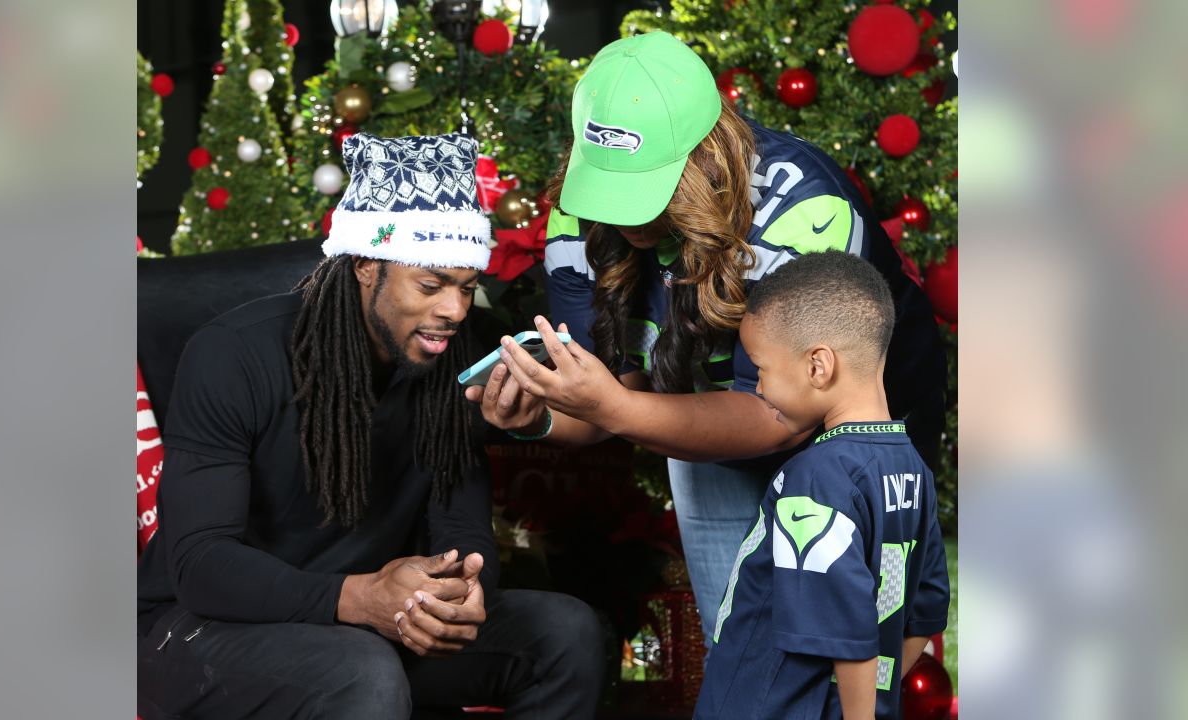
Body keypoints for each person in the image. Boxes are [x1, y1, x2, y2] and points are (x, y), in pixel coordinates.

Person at [467, 30, 946, 643]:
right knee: (740, 647)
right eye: (611, 186)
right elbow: (607, 397)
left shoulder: (802, 211)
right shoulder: (579, 212)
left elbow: (783, 414)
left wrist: (617, 406)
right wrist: (537, 415)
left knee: (856, 651)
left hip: (858, 435)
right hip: (701, 416)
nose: (622, 216)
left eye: (646, 187)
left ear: (707, 155)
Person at [137, 132, 605, 720]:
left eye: (466, 288)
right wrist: (357, 597)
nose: (455, 311)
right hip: (198, 628)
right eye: (430, 285)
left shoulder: (455, 359)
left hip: (368, 618)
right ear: (365, 265)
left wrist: (459, 588)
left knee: (565, 634)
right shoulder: (233, 354)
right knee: (362, 671)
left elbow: (459, 517)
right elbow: (200, 564)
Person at [694, 251, 949, 720]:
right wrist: (871, 700)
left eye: (761, 368)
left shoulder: (816, 476)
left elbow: (844, 627)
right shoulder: (912, 468)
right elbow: (925, 612)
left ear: (818, 366)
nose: (759, 389)